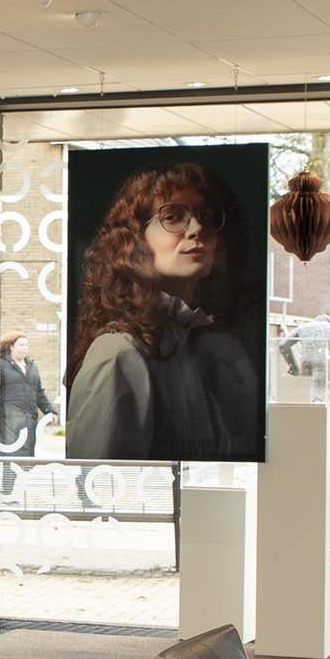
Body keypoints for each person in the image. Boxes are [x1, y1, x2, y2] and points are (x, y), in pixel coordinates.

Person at [64, 161, 260, 462]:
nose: (197, 229)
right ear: (136, 238)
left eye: (205, 216)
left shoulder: (217, 349)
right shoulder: (119, 355)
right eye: (173, 217)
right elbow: (100, 481)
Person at [0, 331, 54, 493]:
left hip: (29, 419)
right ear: (11, 347)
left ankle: (14, 491)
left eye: (26, 345)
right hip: (10, 419)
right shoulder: (2, 365)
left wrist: (50, 410)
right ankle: (6, 492)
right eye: (21, 344)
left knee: (25, 456)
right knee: (10, 455)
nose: (25, 348)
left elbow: (39, 392)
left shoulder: (32, 366)